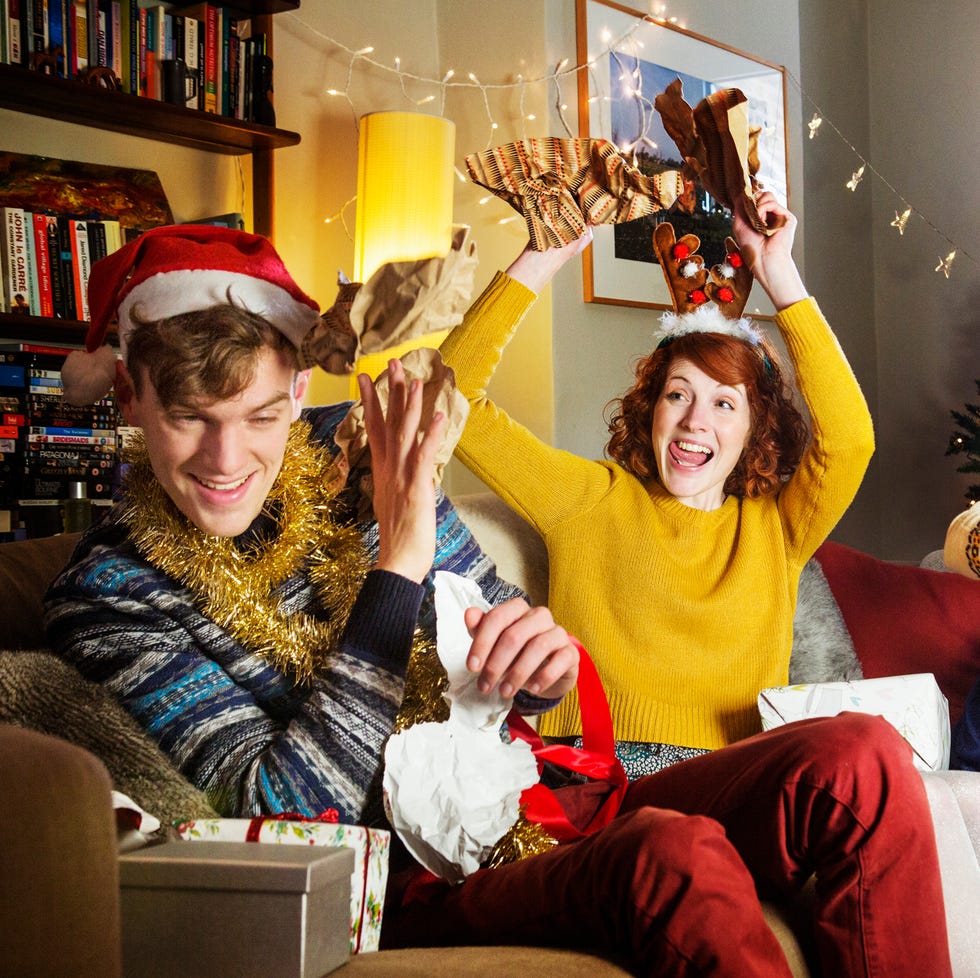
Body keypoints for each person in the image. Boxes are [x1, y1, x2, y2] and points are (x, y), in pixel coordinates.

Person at [44, 224, 952, 977]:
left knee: (864, 759)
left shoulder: (357, 455)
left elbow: (517, 661)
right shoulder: (110, 594)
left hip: (544, 791)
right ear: (129, 392)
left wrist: (543, 660)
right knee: (675, 854)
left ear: (297, 388)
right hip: (411, 862)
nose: (227, 457)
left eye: (261, 416)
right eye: (190, 416)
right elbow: (289, 821)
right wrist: (396, 570)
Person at [439, 192, 876, 772]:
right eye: (679, 394)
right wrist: (542, 254)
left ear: (754, 430)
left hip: (731, 782)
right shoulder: (589, 499)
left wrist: (779, 274)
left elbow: (850, 440)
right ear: (651, 409)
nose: (696, 420)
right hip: (597, 777)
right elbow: (452, 394)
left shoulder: (778, 529)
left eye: (725, 404)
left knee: (867, 759)